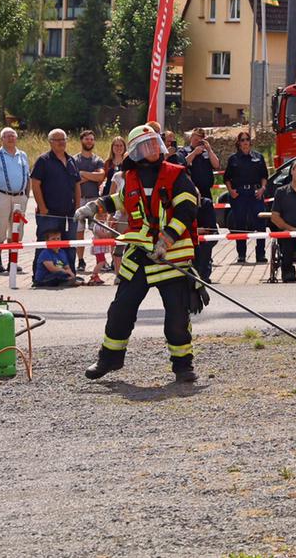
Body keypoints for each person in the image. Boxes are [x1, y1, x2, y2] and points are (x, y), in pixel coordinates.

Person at [84, 124, 205, 383]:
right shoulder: (131, 177)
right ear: (136, 151)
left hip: (170, 257)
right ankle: (110, 358)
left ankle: (183, 365)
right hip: (139, 256)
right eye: (148, 145)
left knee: (176, 315)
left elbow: (187, 209)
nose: (155, 149)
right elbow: (120, 199)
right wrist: (94, 206)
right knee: (120, 310)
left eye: (156, 143)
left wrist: (166, 240)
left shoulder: (176, 173)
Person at [30, 129, 81, 274]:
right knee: (45, 244)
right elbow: (35, 184)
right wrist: (42, 207)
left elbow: (77, 184)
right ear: (50, 142)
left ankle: (70, 274)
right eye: (57, 140)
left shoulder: (72, 160)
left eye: (63, 139)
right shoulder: (43, 160)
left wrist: (78, 206)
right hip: (49, 213)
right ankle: (39, 276)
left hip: (70, 213)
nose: (61, 143)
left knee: (70, 244)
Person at [0, 127, 30, 276]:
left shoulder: (23, 155)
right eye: (7, 136)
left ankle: (12, 261)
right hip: (2, 195)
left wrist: (27, 195)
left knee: (17, 229)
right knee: (0, 227)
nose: (10, 139)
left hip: (20, 196)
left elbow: (28, 176)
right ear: (1, 139)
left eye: (13, 136)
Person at [223, 130, 269, 265]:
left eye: (247, 139)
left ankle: (261, 254)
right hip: (239, 195)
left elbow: (264, 176)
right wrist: (230, 191)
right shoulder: (233, 159)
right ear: (238, 143)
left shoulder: (258, 157)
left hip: (255, 194)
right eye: (242, 140)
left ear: (250, 142)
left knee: (260, 224)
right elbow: (226, 178)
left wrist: (262, 189)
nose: (245, 142)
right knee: (240, 225)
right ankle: (241, 255)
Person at [182, 127, 222, 282]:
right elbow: (183, 164)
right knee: (193, 230)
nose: (199, 140)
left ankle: (205, 264)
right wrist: (194, 153)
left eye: (202, 138)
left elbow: (217, 165)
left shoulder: (206, 152)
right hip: (190, 195)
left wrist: (209, 150)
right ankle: (194, 263)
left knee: (209, 231)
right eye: (197, 137)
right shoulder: (185, 151)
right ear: (192, 137)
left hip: (205, 194)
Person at [72, 130, 107, 271]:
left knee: (97, 231)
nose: (89, 141)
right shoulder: (74, 160)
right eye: (87, 139)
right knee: (79, 231)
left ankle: (101, 261)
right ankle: (80, 260)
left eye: (92, 139)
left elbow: (101, 176)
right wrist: (90, 176)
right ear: (81, 140)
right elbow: (74, 180)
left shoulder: (97, 160)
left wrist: (82, 174)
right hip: (79, 199)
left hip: (94, 199)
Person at [87, 199, 114, 286]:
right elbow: (102, 235)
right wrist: (110, 233)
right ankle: (93, 275)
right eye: (102, 216)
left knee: (99, 261)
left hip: (101, 247)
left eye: (105, 216)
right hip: (98, 247)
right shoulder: (97, 225)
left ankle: (96, 276)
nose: (104, 218)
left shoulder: (103, 224)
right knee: (102, 261)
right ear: (97, 217)